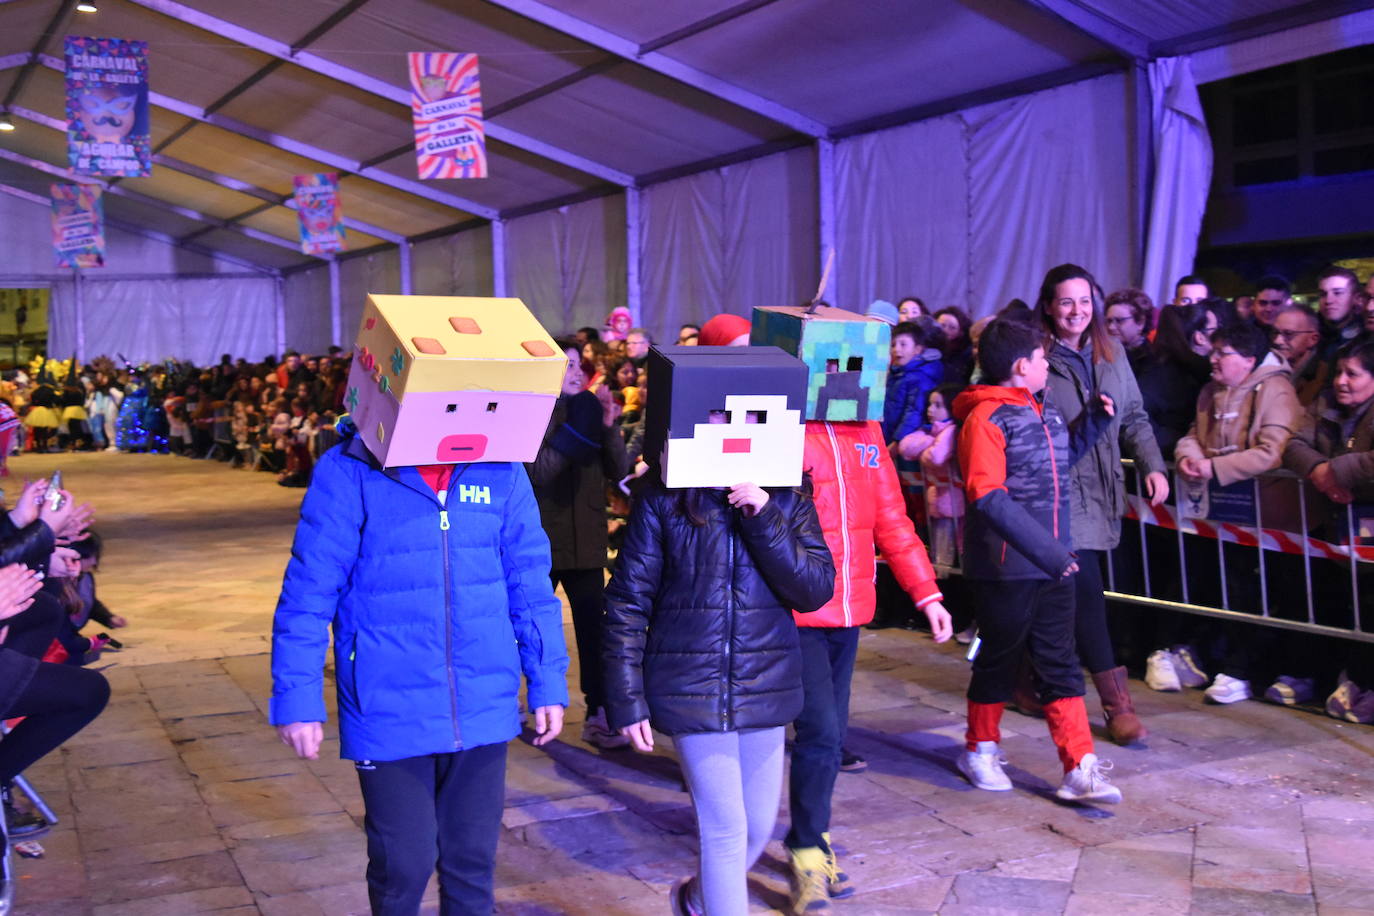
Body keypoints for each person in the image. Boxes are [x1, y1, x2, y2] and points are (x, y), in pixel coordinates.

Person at [270, 296, 571, 916]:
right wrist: (297, 696)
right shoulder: (349, 471)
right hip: (388, 703)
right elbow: (307, 593)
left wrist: (548, 682)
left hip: (483, 702)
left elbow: (530, 585)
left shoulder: (502, 471)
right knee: (402, 867)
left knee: (470, 867)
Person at [603, 346, 835, 916]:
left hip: (765, 682)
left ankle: (698, 900)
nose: (733, 429)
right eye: (718, 415)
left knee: (756, 828)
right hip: (689, 684)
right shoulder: (663, 500)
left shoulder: (786, 495)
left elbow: (813, 588)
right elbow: (628, 603)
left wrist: (764, 515)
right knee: (726, 830)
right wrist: (626, 697)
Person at [750, 304, 950, 914]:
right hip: (796, 609)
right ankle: (807, 850)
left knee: (826, 737)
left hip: (851, 608)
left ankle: (813, 838)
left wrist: (927, 592)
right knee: (820, 733)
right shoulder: (778, 427)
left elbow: (892, 519)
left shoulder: (864, 436)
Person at [952, 317, 1121, 803]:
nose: (1049, 365)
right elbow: (988, 495)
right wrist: (1050, 553)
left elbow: (1053, 464)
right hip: (1006, 568)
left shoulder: (1042, 414)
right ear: (1023, 366)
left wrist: (1093, 423)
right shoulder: (985, 419)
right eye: (1044, 358)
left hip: (1054, 563)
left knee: (1060, 661)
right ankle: (979, 749)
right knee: (999, 661)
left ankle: (1079, 766)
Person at [1039, 264, 1167, 745]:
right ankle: (1118, 707)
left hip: (1104, 489)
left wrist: (1153, 465)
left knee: (1056, 599)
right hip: (1059, 493)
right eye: (1066, 302)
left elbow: (1134, 416)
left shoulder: (1109, 352)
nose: (1077, 311)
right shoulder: (1038, 360)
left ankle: (1025, 682)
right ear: (1049, 305)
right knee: (1087, 595)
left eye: (1085, 301)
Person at [1173, 322, 1301, 704]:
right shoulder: (1211, 390)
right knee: (1224, 586)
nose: (1212, 359)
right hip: (1222, 511)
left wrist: (1215, 468)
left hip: (1266, 514)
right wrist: (1189, 458)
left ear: (1248, 359)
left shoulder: (1276, 389)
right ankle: (1219, 660)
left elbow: (1274, 451)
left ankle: (1244, 670)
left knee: (1256, 591)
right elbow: (1194, 434)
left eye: (1221, 353)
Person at [529, 343, 629, 750]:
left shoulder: (590, 414)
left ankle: (598, 712)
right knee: (528, 630)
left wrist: (605, 425)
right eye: (564, 363)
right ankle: (524, 701)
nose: (573, 370)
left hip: (586, 544)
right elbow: (541, 473)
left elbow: (619, 470)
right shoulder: (532, 412)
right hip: (539, 544)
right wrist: (574, 424)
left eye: (576, 364)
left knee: (593, 630)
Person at [1280, 339, 1374, 719]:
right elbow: (1293, 445)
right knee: (1333, 601)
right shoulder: (1325, 406)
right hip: (1336, 527)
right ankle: (1335, 679)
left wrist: (1339, 470)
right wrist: (1320, 471)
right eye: (1338, 371)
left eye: (1353, 373)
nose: (1341, 381)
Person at [882, 318, 945, 448]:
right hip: (889, 437)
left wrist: (897, 441)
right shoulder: (897, 373)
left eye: (903, 344)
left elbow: (914, 412)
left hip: (904, 444)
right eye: (893, 345)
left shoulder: (919, 378)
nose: (896, 349)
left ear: (917, 349)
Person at [1270, 306, 1327, 405]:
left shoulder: (1324, 376)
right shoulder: (1268, 368)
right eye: (1275, 333)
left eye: (1288, 334)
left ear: (1313, 339)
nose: (1277, 341)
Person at [1316, 266, 1364, 364]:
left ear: (1356, 299)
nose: (1328, 301)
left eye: (1338, 293)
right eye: (1323, 294)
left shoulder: (1365, 339)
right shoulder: (1310, 333)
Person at [1103, 288, 1153, 371]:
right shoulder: (1102, 354)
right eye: (1109, 321)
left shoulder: (1153, 361)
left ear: (1140, 322)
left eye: (1119, 321)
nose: (1111, 327)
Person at [934, 306, 974, 386]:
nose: (945, 330)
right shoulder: (927, 347)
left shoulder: (965, 354)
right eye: (942, 325)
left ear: (960, 332)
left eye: (952, 327)